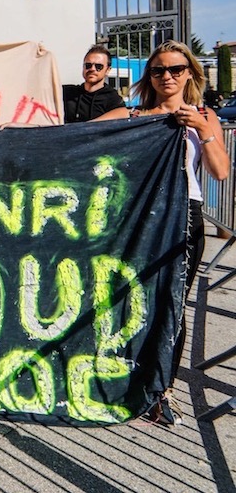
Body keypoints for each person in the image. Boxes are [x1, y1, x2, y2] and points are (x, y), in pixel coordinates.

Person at [97, 40, 230, 424]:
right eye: (158, 70)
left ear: (189, 73)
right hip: (136, 217)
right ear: (149, 76)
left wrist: (203, 130)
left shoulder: (204, 116)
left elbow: (220, 172)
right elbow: (75, 139)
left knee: (171, 305)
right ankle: (124, 381)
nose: (167, 76)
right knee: (129, 301)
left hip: (183, 217)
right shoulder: (132, 115)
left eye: (176, 69)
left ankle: (161, 390)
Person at [62, 46, 125, 122]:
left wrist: (88, 126)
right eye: (88, 65)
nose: (92, 69)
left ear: (108, 70)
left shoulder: (112, 99)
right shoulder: (67, 92)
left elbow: (123, 114)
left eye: (98, 66)